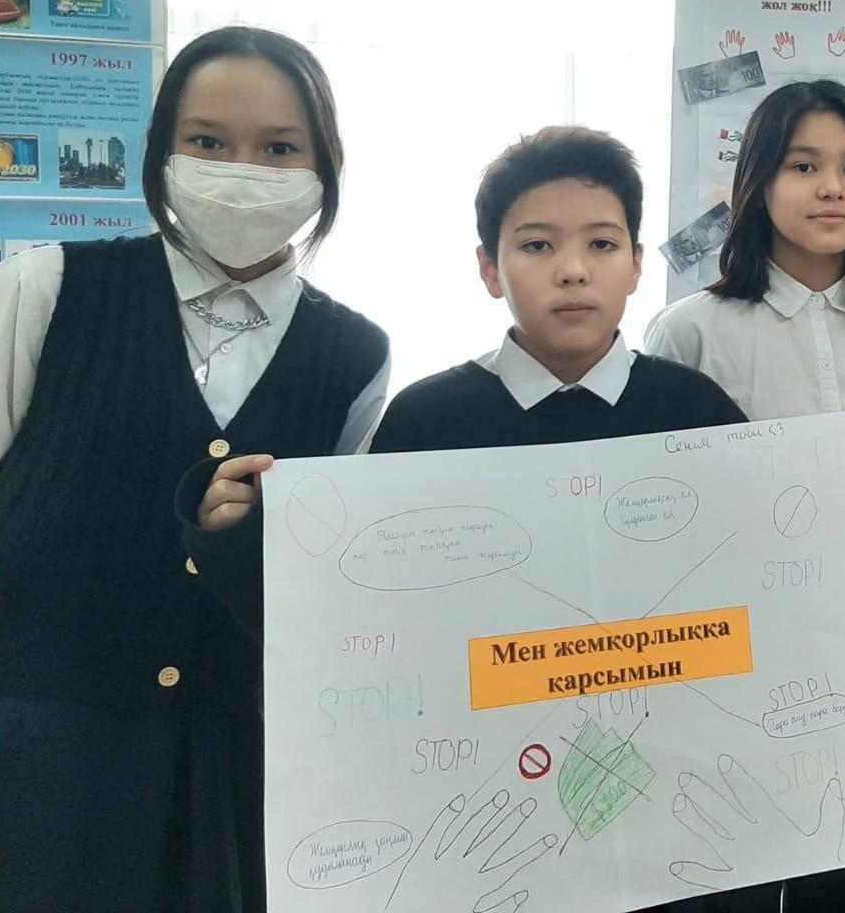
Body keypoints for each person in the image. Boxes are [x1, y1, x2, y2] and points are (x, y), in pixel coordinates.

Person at [185, 124, 777, 913]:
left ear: (638, 264)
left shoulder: (695, 411)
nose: (573, 269)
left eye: (602, 244)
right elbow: (352, 620)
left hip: (677, 819)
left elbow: (776, 584)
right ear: (489, 269)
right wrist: (236, 540)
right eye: (537, 245)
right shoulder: (427, 421)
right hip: (487, 815)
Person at [0, 26, 390, 911]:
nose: (242, 170)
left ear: (324, 166)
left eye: (279, 148)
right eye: (208, 141)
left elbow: (327, 583)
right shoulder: (45, 286)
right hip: (39, 751)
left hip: (227, 766)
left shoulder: (356, 354)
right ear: (161, 150)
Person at [646, 79, 845, 913]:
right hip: (724, 667)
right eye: (804, 165)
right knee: (722, 878)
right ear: (757, 182)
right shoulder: (690, 330)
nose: (831, 189)